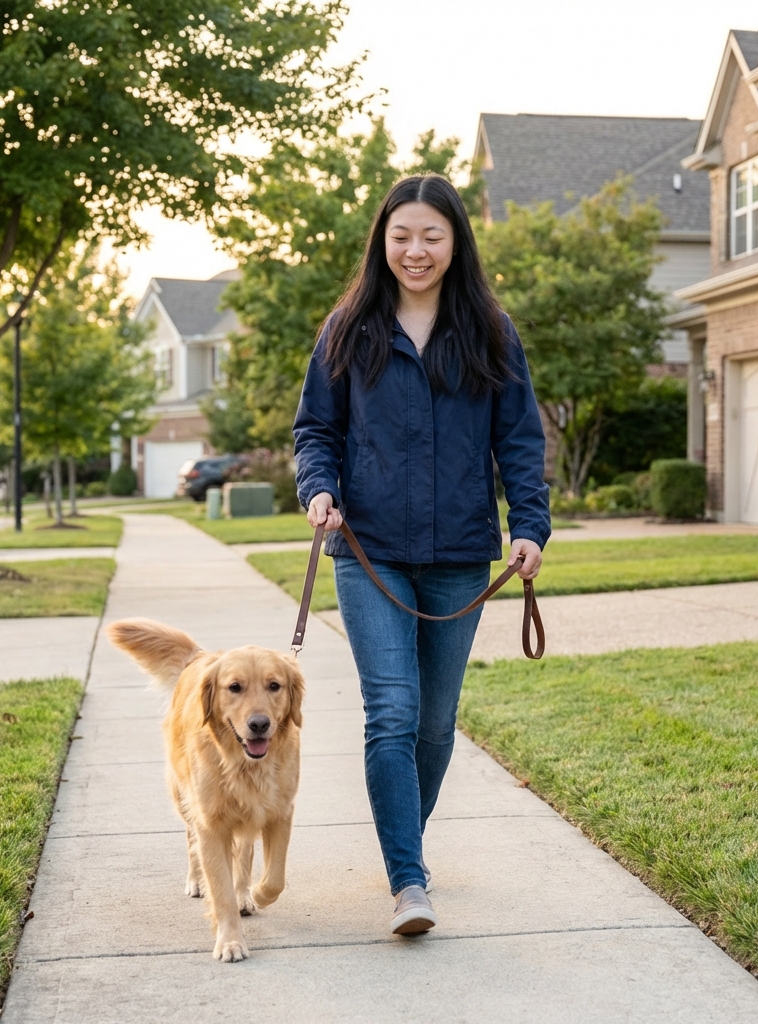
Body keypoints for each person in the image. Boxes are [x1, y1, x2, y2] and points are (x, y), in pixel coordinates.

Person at [293, 174, 550, 937]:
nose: (415, 250)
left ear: (455, 242)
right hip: (368, 551)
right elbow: (316, 430)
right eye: (401, 235)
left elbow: (520, 441)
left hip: (462, 553)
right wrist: (319, 488)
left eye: (431, 236)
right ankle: (409, 879)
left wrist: (528, 524)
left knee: (436, 724)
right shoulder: (349, 328)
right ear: (382, 240)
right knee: (393, 713)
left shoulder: (491, 333)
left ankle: (406, 847)